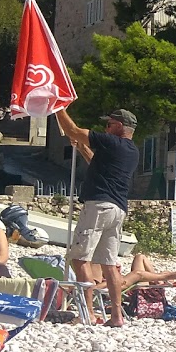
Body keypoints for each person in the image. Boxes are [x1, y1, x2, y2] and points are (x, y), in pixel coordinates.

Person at [55, 107, 140, 327]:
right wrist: (82, 147)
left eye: (109, 124)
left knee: (80, 258)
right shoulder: (131, 151)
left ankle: (89, 313)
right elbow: (96, 163)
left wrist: (58, 108)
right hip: (117, 209)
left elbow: (73, 129)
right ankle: (117, 316)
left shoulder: (113, 143)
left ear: (120, 126)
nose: (106, 128)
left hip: (99, 206)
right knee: (109, 264)